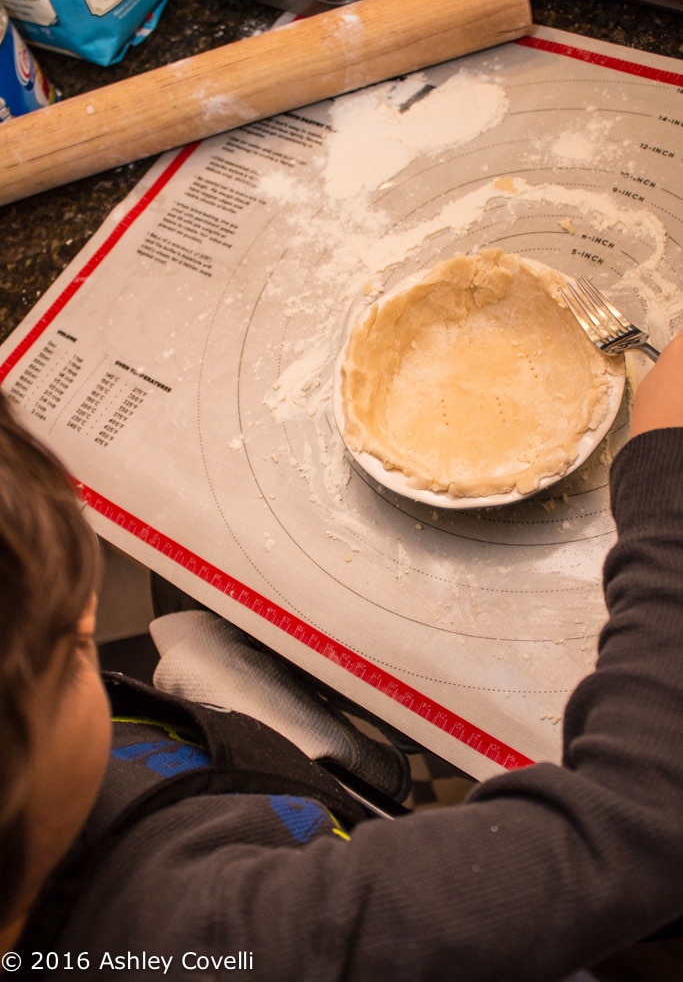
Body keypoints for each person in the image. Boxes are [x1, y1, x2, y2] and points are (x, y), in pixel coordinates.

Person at [0, 334, 682, 981]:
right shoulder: (222, 949)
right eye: (72, 651)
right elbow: (631, 827)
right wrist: (665, 475)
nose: (88, 609)